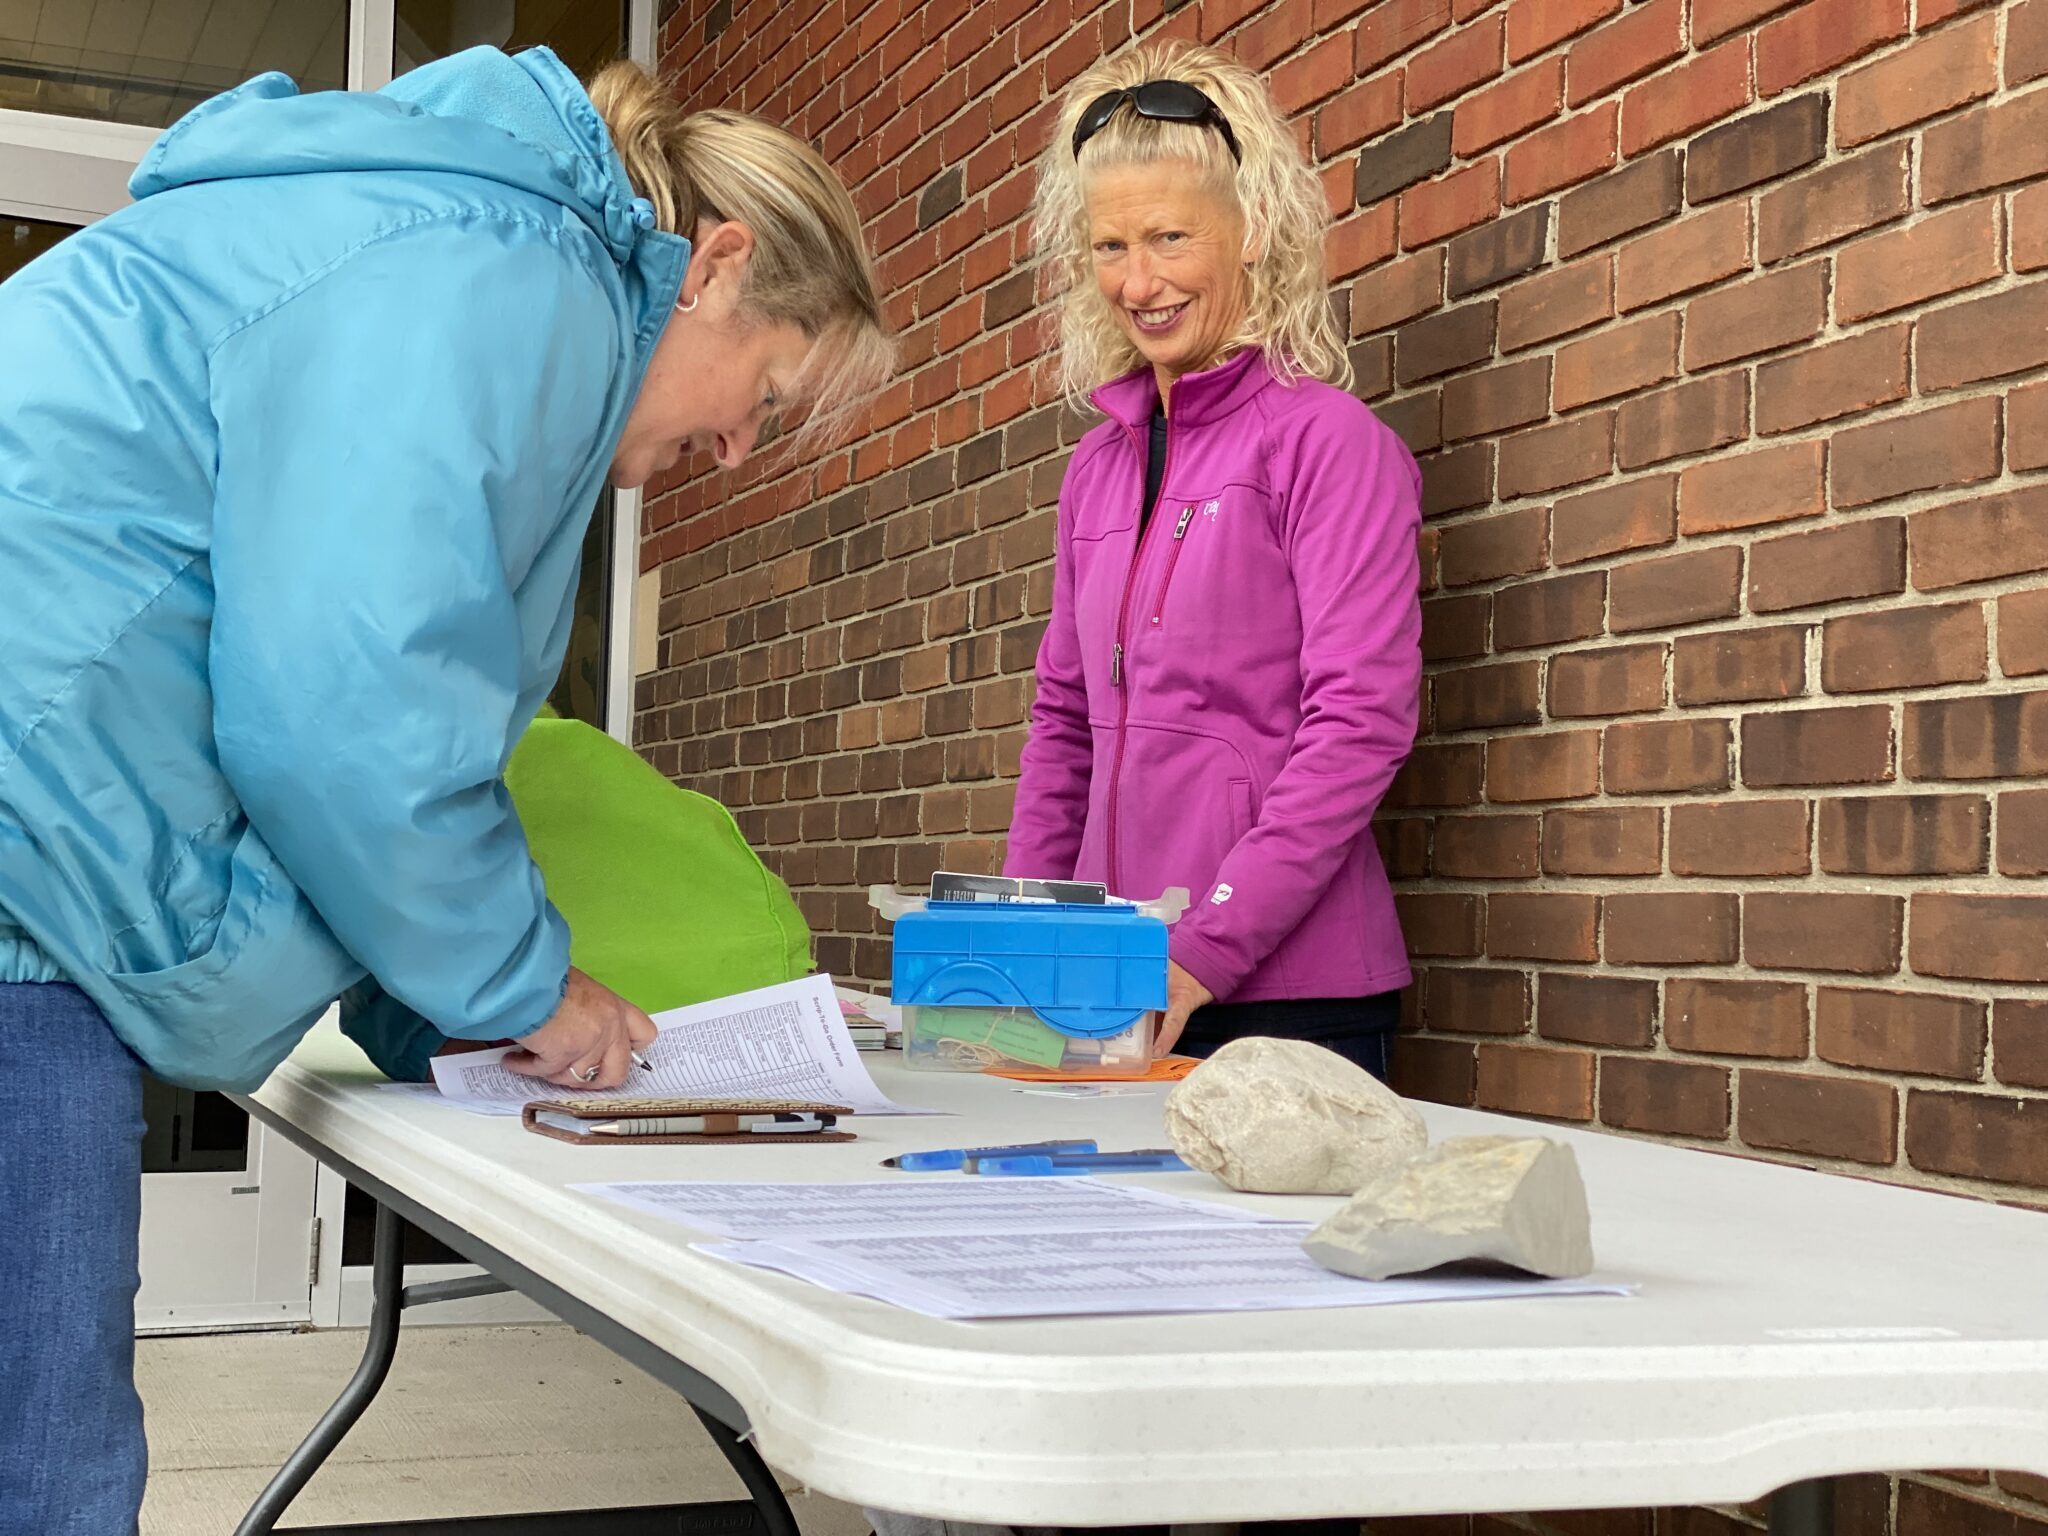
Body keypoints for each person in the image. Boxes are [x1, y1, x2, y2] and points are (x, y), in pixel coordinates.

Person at [0, 45, 887, 1532]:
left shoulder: (429, 234)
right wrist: (526, 988)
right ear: (717, 267)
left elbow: (295, 703)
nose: (738, 449)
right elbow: (348, 714)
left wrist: (441, 1010)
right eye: (769, 392)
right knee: (39, 1478)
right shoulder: (509, 276)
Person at [1003, 40, 1424, 1084]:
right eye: (1109, 246)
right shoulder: (1096, 470)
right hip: (1115, 986)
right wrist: (1020, 933)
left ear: (1253, 232)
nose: (1136, 282)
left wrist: (1201, 951)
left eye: (1168, 237)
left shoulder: (1327, 444)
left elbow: (1360, 722)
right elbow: (1063, 724)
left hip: (1291, 999)